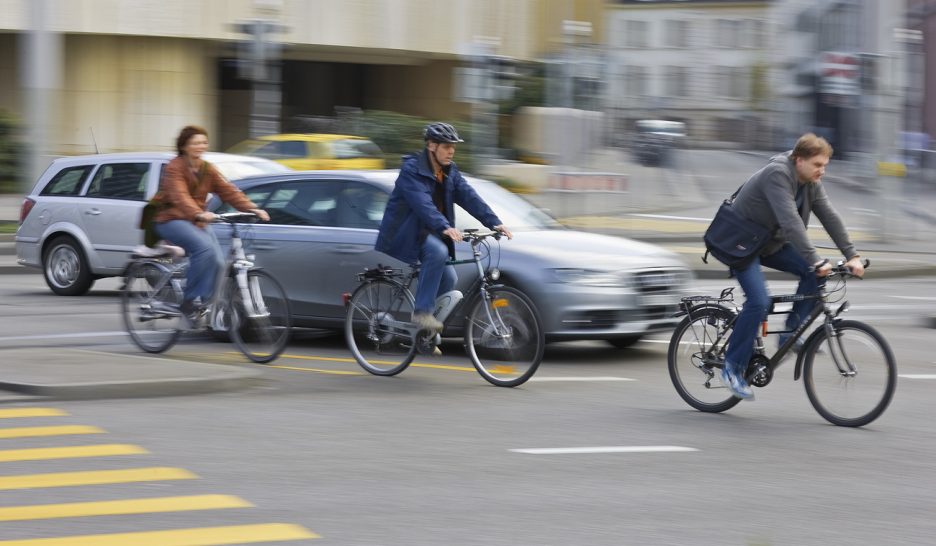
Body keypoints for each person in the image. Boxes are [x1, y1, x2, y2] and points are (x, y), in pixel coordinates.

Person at [721, 133, 864, 399]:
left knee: (817, 273)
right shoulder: (778, 174)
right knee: (758, 302)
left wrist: (851, 255)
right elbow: (790, 222)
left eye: (825, 166)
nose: (822, 171)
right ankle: (732, 368)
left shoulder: (810, 181)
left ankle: (789, 332)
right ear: (799, 160)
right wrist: (815, 259)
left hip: (768, 244)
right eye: (817, 165)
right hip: (740, 245)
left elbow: (830, 216)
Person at [375, 122, 512, 345]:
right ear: (431, 145)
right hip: (407, 232)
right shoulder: (411, 170)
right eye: (446, 146)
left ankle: (424, 337)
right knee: (438, 253)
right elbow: (422, 203)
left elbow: (470, 197)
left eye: (453, 147)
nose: (451, 151)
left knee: (449, 278)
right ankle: (422, 314)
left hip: (430, 229)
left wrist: (494, 223)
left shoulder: (450, 171)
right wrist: (444, 226)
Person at [153, 125, 270, 322]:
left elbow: (228, 191)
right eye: (195, 143)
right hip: (169, 218)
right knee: (204, 249)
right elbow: (180, 197)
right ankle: (189, 302)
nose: (201, 146)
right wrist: (199, 213)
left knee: (217, 261)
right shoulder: (175, 168)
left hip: (195, 220)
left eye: (203, 142)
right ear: (184, 146)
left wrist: (253, 208)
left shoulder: (207, 169)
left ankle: (203, 302)